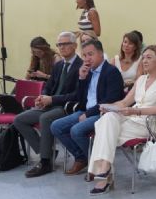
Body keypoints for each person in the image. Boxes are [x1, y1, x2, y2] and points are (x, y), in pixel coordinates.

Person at [87, 46, 156, 195]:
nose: (144, 61)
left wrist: (136, 111)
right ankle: (105, 169)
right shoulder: (141, 79)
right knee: (107, 118)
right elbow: (125, 102)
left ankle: (104, 174)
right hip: (130, 118)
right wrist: (108, 107)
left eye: (149, 57)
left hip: (148, 123)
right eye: (143, 57)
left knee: (103, 129)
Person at [14, 32, 83, 178]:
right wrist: (42, 97)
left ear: (75, 46)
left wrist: (52, 99)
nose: (62, 47)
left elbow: (77, 95)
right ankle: (46, 152)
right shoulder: (59, 65)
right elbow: (49, 86)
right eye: (59, 44)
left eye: (65, 44)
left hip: (67, 107)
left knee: (45, 118)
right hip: (50, 104)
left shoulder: (81, 66)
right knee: (19, 119)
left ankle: (45, 162)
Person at [51, 40, 124, 176]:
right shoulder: (88, 72)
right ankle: (82, 158)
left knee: (76, 130)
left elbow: (111, 100)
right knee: (56, 126)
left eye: (90, 54)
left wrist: (88, 114)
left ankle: (97, 165)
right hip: (86, 110)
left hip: (103, 113)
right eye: (84, 55)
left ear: (101, 53)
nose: (87, 59)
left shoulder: (111, 72)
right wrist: (82, 78)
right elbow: (80, 98)